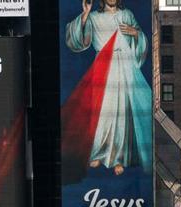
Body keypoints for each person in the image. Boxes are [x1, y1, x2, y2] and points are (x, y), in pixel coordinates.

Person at [62, 0, 152, 179]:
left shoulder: (126, 15)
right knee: (102, 112)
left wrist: (136, 34)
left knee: (120, 113)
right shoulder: (94, 17)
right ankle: (98, 153)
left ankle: (119, 157)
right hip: (103, 68)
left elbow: (140, 40)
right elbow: (81, 42)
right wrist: (86, 14)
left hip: (124, 67)